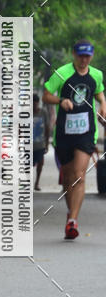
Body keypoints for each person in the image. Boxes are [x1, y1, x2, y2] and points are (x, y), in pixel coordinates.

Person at [43, 41, 106, 239]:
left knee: (79, 175)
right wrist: (61, 101)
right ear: (74, 54)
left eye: (87, 56)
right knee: (68, 178)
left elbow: (99, 92)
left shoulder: (96, 74)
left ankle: (73, 221)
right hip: (64, 133)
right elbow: (46, 95)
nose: (84, 60)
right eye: (80, 56)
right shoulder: (62, 73)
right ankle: (71, 213)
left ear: (91, 56)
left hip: (86, 133)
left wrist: (103, 105)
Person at [32, 93, 50, 190]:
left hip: (40, 144)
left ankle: (37, 183)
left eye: (36, 103)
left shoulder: (43, 112)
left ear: (38, 103)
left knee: (40, 163)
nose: (34, 105)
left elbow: (47, 128)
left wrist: (46, 144)